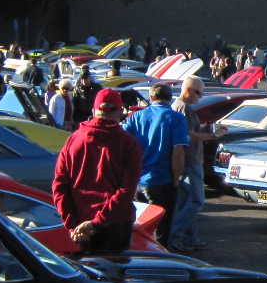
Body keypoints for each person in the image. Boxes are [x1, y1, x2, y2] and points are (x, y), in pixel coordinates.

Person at [51, 88, 143, 252]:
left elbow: (59, 185)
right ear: (121, 112)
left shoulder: (74, 139)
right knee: (114, 276)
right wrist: (98, 222)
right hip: (115, 225)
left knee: (87, 274)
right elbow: (126, 191)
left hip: (81, 222)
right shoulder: (128, 144)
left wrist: (72, 224)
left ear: (94, 111)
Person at [123, 83, 188, 248]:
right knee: (161, 229)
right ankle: (158, 261)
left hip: (138, 180)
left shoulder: (136, 117)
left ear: (151, 98)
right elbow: (178, 153)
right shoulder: (176, 118)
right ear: (170, 98)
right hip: (161, 179)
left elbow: (123, 145)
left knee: (138, 227)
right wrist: (175, 180)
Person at [169, 75, 222, 252]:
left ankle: (189, 238)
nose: (200, 97)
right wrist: (214, 135)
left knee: (186, 202)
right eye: (198, 93)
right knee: (198, 200)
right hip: (190, 161)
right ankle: (173, 233)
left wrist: (205, 130)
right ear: (188, 90)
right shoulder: (184, 108)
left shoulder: (178, 106)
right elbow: (190, 135)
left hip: (185, 160)